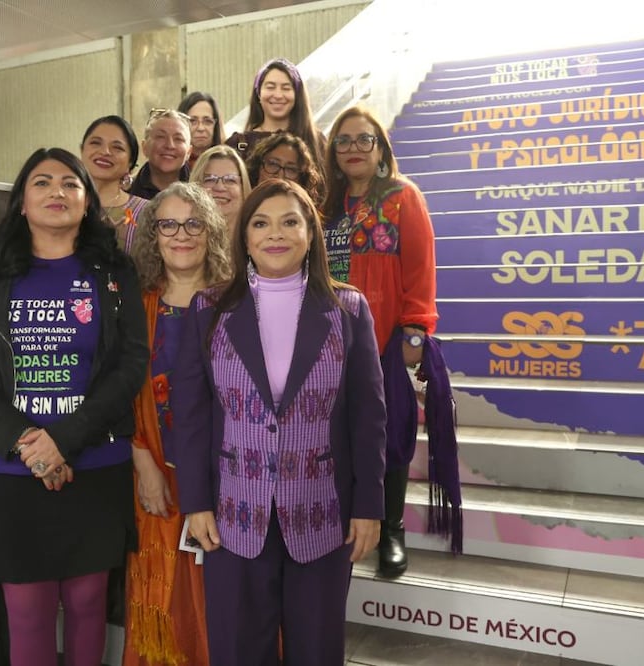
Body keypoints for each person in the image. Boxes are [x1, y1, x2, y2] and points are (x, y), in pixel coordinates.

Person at [0, 147, 148, 666]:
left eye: (70, 183)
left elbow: (130, 364)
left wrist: (65, 439)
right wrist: (25, 441)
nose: (57, 191)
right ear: (21, 202)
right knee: (28, 608)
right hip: (12, 466)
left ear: (87, 203)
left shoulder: (114, 274)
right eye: (42, 182)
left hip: (95, 461)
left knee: (86, 602)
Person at [173, 179, 386, 665]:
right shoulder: (209, 310)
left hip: (323, 514)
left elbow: (369, 417)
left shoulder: (347, 309)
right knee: (238, 649)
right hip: (231, 515)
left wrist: (370, 505)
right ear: (244, 236)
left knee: (316, 649)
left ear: (310, 232)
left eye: (291, 221)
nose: (276, 234)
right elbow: (191, 416)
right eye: (261, 223)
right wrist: (196, 502)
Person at [321, 105, 443, 578]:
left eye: (363, 139)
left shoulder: (401, 196)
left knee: (388, 438)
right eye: (344, 141)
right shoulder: (323, 206)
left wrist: (415, 328)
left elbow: (420, 267)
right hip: (329, 344)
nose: (353, 149)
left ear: (380, 146)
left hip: (387, 341)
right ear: (332, 151)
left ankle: (391, 528)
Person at [124, 182, 232, 666]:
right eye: (168, 223)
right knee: (161, 608)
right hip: (156, 476)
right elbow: (119, 391)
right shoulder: (136, 306)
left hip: (230, 479)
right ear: (153, 235)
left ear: (211, 232)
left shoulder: (236, 304)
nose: (181, 235)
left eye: (193, 223)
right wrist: (142, 460)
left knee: (223, 606)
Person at [225, 58, 326, 167]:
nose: (278, 95)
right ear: (258, 94)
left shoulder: (316, 141)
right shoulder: (238, 144)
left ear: (297, 96)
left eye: (286, 88)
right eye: (270, 87)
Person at [81, 115, 150, 251]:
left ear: (130, 162)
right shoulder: (65, 203)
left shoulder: (146, 212)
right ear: (82, 150)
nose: (105, 152)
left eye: (117, 148)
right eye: (95, 143)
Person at [130, 108, 192, 200]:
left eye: (178, 139)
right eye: (161, 137)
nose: (170, 145)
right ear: (144, 147)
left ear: (189, 152)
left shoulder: (202, 192)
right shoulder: (127, 192)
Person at [190, 144, 251, 236]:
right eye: (210, 179)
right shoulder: (182, 241)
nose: (220, 187)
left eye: (230, 180)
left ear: (243, 188)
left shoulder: (258, 242)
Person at [246, 132, 324, 203]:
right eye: (273, 164)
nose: (280, 176)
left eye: (290, 169)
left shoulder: (308, 216)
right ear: (258, 167)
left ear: (301, 180)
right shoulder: (240, 210)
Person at [178, 92, 226, 171]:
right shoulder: (172, 164)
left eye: (207, 121)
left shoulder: (227, 162)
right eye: (193, 121)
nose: (201, 128)